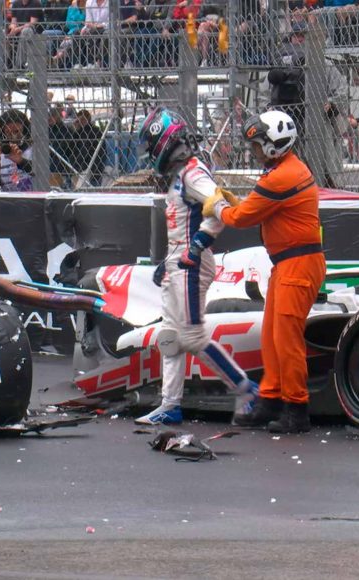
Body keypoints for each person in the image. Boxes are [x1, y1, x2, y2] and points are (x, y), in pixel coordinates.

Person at [133, 106, 258, 425]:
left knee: (191, 337)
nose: (151, 154)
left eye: (152, 146)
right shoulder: (183, 174)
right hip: (179, 262)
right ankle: (170, 405)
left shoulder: (193, 173)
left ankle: (246, 390)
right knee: (170, 336)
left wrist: (197, 245)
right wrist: (168, 261)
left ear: (164, 140)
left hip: (191, 264)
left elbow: (220, 206)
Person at [204, 110, 326, 433]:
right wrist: (235, 204)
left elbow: (241, 217)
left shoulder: (282, 176)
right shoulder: (287, 170)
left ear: (275, 144)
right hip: (290, 264)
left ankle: (296, 410)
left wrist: (219, 206)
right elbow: (255, 208)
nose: (255, 151)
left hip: (297, 265)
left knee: (286, 339)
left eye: (258, 145)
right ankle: (270, 399)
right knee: (273, 336)